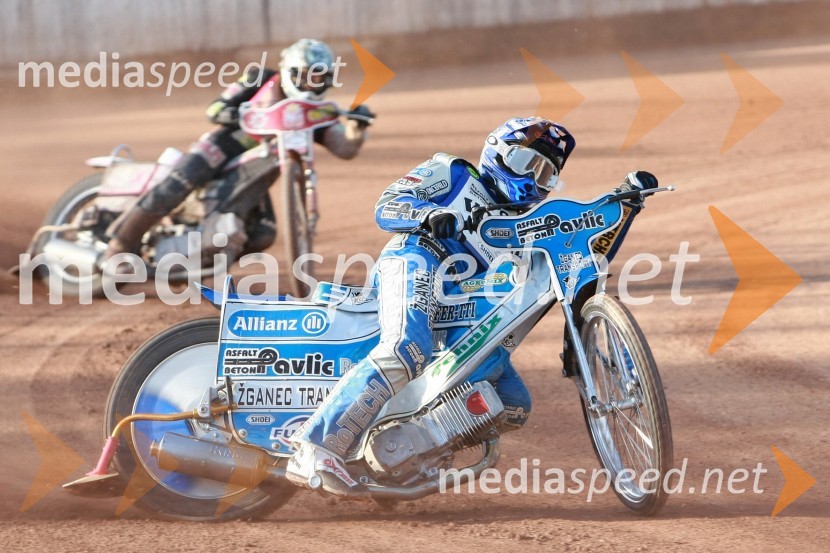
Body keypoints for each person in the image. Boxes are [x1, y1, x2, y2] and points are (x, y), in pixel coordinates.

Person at [286, 115, 658, 495]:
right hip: (418, 256)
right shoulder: (453, 172)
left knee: (512, 402)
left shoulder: (528, 222)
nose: (532, 178)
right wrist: (428, 214)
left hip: (465, 300)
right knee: (405, 348)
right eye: (525, 163)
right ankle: (315, 448)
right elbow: (388, 205)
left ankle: (395, 457)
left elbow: (583, 252)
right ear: (497, 152)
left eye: (545, 173)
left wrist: (625, 207)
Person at [101, 38, 373, 265]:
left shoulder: (311, 113)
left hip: (256, 172)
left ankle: (198, 261)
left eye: (318, 77)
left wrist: (357, 127)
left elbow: (345, 148)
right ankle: (119, 246)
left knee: (263, 234)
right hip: (224, 147)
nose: (311, 83)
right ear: (290, 71)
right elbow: (215, 109)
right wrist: (235, 113)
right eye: (305, 75)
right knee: (179, 183)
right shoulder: (260, 78)